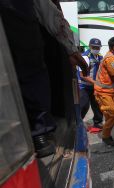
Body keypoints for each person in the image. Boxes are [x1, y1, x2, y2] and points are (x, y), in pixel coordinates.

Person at [0, 0, 88, 158]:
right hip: (19, 25)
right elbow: (47, 11)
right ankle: (40, 132)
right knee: (29, 66)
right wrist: (70, 47)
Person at [77, 38, 104, 128]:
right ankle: (78, 124)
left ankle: (97, 122)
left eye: (98, 47)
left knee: (97, 104)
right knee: (84, 105)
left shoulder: (100, 56)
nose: (96, 48)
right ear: (89, 46)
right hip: (83, 86)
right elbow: (82, 75)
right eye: (94, 47)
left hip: (94, 85)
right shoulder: (85, 57)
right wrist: (96, 82)